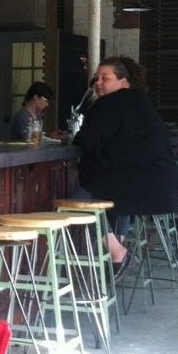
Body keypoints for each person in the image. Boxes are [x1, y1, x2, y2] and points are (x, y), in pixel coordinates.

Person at [73, 55, 178, 278]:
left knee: (79, 201)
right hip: (160, 185)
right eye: (96, 78)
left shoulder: (111, 103)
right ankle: (116, 257)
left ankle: (118, 253)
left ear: (124, 82)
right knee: (114, 198)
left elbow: (88, 141)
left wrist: (75, 137)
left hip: (138, 182)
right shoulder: (141, 102)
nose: (98, 83)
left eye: (105, 78)